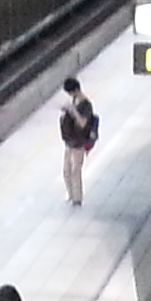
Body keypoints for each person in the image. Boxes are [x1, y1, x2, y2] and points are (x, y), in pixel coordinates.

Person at [58, 78, 100, 206]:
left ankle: (77, 198)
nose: (70, 95)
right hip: (70, 141)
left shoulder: (86, 105)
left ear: (76, 90)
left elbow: (82, 123)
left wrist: (73, 111)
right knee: (66, 170)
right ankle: (70, 194)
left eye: (70, 92)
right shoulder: (74, 101)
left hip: (79, 142)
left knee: (75, 170)